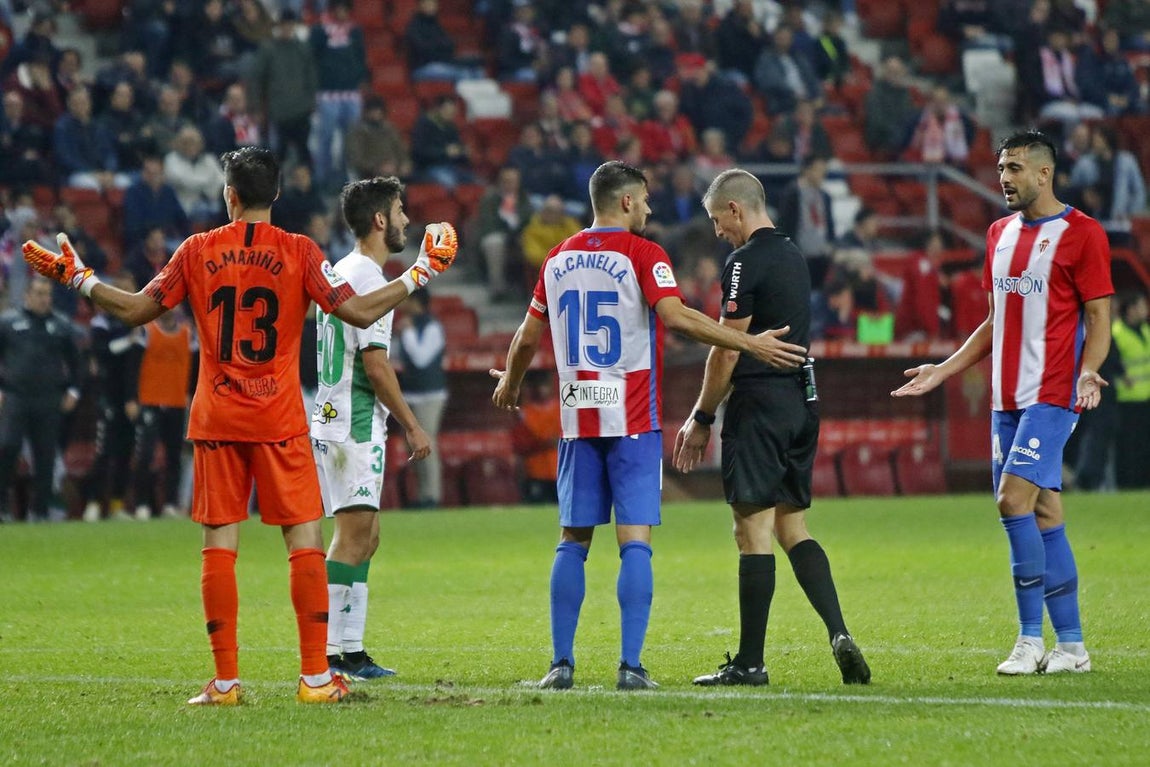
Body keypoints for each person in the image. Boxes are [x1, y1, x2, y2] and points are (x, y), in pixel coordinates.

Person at [22, 146, 459, 704]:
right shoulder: (300, 251)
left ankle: (226, 683)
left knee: (219, 547)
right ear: (275, 195)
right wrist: (421, 272)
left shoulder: (196, 249)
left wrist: (80, 279)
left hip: (218, 417)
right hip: (278, 417)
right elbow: (357, 312)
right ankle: (316, 679)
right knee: (304, 540)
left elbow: (134, 309)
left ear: (229, 195)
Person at [490, 160, 808, 692]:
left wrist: (512, 385)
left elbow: (525, 338)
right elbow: (677, 316)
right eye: (646, 200)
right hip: (633, 419)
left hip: (577, 419)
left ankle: (560, 665)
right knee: (634, 541)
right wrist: (750, 343)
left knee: (572, 540)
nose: (651, 209)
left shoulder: (556, 257)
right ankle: (631, 667)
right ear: (627, 202)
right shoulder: (644, 253)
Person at [892, 130, 1112, 675]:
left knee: (1011, 502)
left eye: (1014, 168)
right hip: (1004, 398)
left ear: (1044, 173)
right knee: (1044, 509)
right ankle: (1073, 647)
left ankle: (1028, 638)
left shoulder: (1083, 234)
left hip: (1054, 392)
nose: (1005, 179)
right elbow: (994, 321)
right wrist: (943, 370)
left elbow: (1098, 318)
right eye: (1000, 169)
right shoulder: (997, 234)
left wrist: (1089, 370)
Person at [673, 169, 871, 688]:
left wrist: (702, 417)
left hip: (759, 406)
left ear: (736, 210)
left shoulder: (743, 262)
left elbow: (726, 347)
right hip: (802, 402)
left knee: (751, 532)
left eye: (718, 220)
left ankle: (750, 663)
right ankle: (839, 632)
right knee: (792, 527)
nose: (717, 232)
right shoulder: (794, 254)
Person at [312, 177, 434, 681]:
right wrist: (413, 425)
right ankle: (326, 653)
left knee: (367, 534)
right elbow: (377, 365)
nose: (407, 220)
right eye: (401, 211)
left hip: (337, 416)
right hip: (355, 417)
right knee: (351, 537)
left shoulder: (347, 268)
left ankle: (351, 651)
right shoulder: (367, 278)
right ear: (380, 220)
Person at [0, 277, 81, 523]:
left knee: (45, 455)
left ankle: (41, 511)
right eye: (38, 293)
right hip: (15, 396)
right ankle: (2, 508)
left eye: (46, 294)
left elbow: (78, 363)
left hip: (49, 398)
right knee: (8, 447)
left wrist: (74, 391)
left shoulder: (61, 325)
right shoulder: (8, 323)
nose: (43, 298)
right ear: (27, 296)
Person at [130, 307, 196, 520]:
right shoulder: (146, 332)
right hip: (150, 401)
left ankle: (169, 503)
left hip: (177, 401)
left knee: (174, 456)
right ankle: (141, 504)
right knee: (146, 455)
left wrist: (190, 393)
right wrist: (132, 397)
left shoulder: (188, 333)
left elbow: (196, 367)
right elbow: (133, 366)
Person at [395, 289, 447, 509]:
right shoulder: (406, 324)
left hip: (430, 394)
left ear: (416, 301)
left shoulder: (433, 326)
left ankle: (432, 496)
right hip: (410, 393)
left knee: (428, 442)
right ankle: (421, 494)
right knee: (412, 447)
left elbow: (421, 358)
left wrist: (407, 333)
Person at [1110, 290, 1150, 489]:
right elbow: (1113, 366)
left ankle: (1142, 483)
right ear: (1131, 309)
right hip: (1125, 401)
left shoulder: (1145, 330)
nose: (1146, 310)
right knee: (1127, 448)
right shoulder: (1117, 333)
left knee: (1144, 446)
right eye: (1142, 305)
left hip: (1145, 399)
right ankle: (1126, 485)